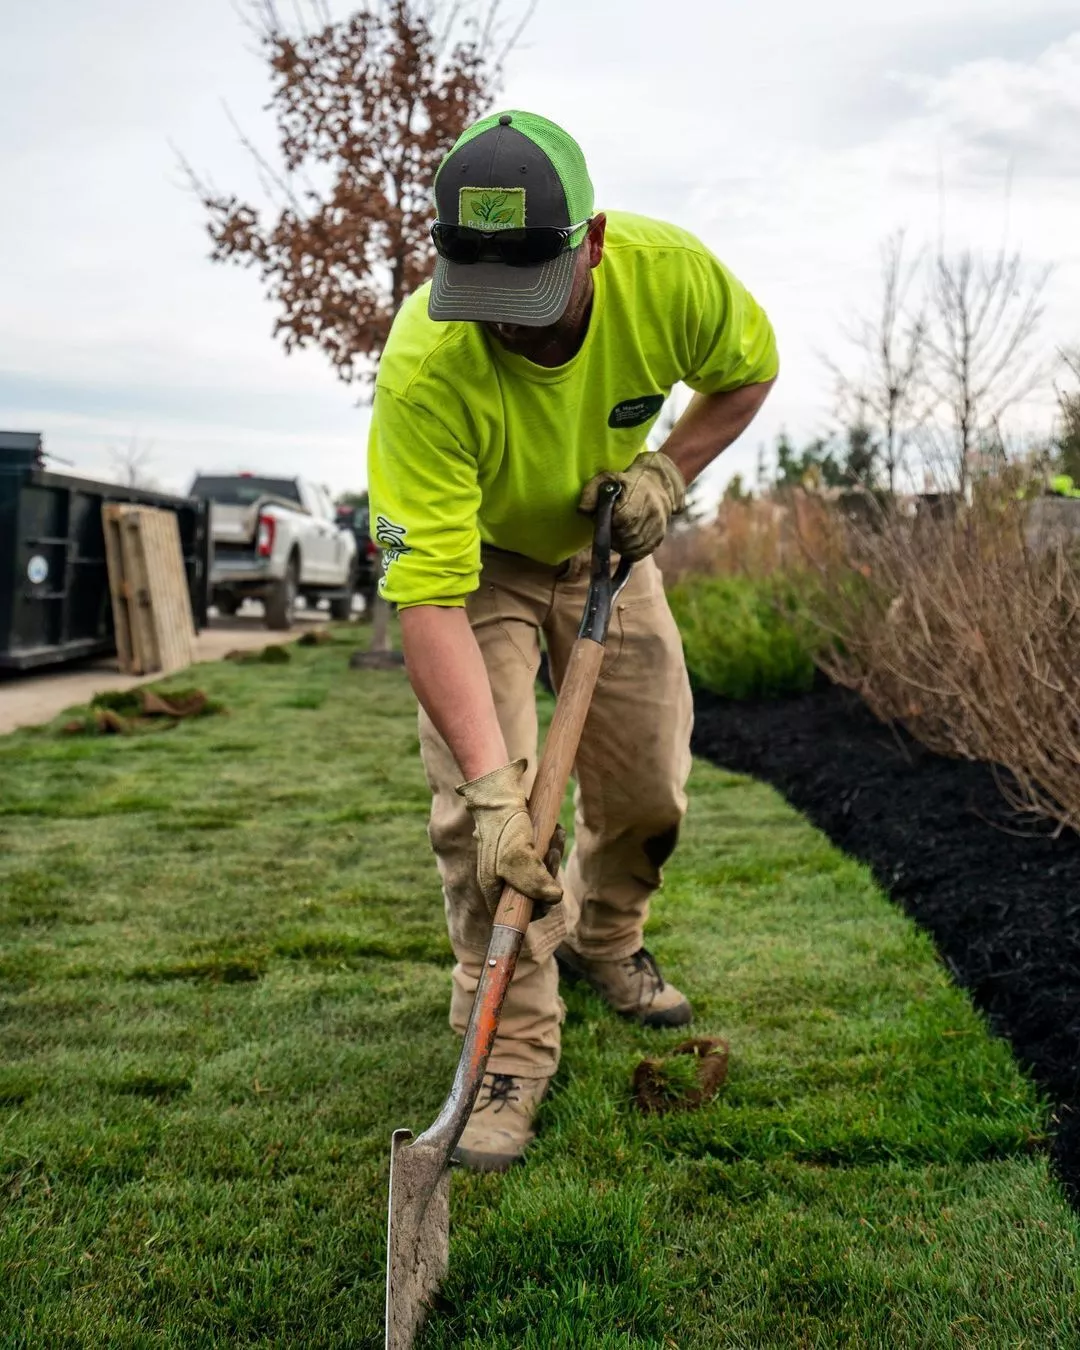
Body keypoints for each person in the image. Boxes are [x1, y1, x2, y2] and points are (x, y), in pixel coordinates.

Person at [368, 110, 777, 1171]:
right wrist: (498, 793)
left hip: (606, 546)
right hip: (484, 564)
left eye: (532, 298)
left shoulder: (672, 276)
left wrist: (668, 470)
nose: (510, 328)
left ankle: (610, 938)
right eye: (486, 301)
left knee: (649, 787)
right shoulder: (426, 366)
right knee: (487, 816)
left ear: (589, 241)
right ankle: (509, 1045)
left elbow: (747, 372)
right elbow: (427, 600)